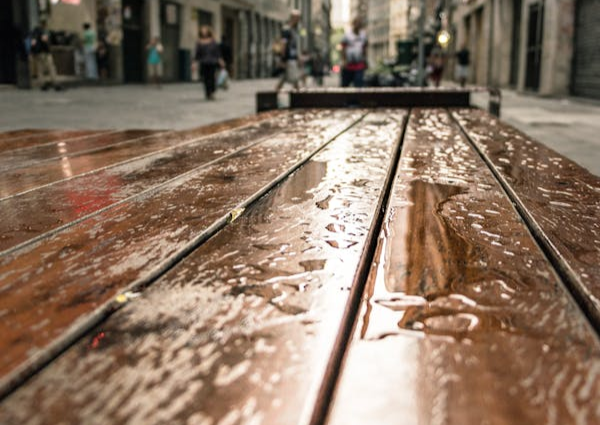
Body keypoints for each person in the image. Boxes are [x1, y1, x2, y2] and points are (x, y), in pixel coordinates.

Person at [194, 26, 224, 100]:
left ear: (208, 31)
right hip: (204, 62)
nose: (204, 31)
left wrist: (220, 60)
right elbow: (197, 53)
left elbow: (217, 52)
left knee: (212, 78)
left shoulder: (212, 41)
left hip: (212, 62)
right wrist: (194, 62)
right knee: (205, 78)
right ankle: (208, 93)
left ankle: (212, 91)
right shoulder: (199, 42)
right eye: (202, 30)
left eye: (205, 30)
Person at [30, 21, 62, 91]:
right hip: (45, 52)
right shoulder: (43, 31)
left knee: (40, 69)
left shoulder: (34, 33)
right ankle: (55, 83)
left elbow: (33, 43)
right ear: (44, 25)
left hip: (38, 53)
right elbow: (45, 40)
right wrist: (48, 49)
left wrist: (33, 52)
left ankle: (42, 84)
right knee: (51, 67)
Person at [275, 9, 302, 91]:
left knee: (284, 79)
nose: (299, 20)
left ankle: (275, 94)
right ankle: (299, 97)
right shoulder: (286, 29)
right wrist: (282, 59)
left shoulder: (293, 30)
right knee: (295, 79)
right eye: (297, 18)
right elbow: (283, 44)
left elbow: (294, 46)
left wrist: (298, 57)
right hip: (288, 59)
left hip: (292, 58)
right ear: (293, 18)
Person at [341, 17, 368, 87]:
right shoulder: (347, 35)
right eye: (356, 23)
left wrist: (365, 60)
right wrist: (344, 60)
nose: (357, 25)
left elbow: (365, 48)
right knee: (345, 85)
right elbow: (343, 48)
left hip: (359, 65)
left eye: (359, 24)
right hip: (348, 65)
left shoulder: (363, 35)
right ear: (353, 24)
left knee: (358, 85)